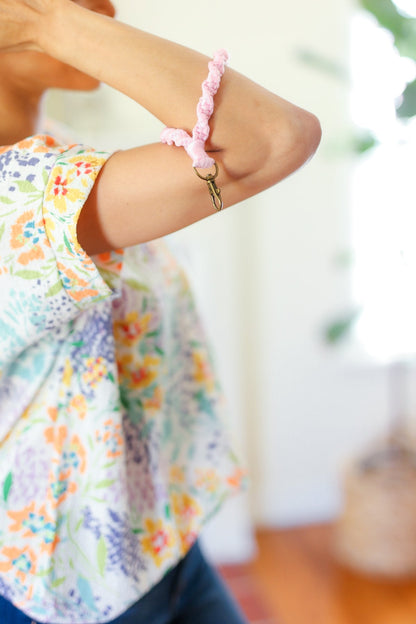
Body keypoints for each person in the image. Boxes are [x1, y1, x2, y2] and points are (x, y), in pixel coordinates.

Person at [0, 1, 321, 623]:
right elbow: (278, 136)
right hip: (69, 594)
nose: (104, 7)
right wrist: (47, 23)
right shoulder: (17, 201)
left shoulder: (55, 159)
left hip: (155, 545)